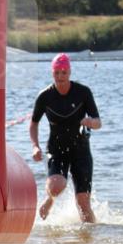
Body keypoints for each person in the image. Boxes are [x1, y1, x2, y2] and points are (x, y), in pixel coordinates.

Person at [31, 53, 101, 223]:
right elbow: (33, 124)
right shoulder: (45, 96)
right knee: (56, 185)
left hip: (81, 150)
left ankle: (90, 242)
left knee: (83, 205)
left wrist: (90, 122)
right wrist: (35, 146)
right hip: (57, 149)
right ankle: (50, 199)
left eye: (63, 72)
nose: (60, 76)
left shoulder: (83, 92)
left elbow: (99, 122)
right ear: (52, 73)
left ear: (69, 72)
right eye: (57, 73)